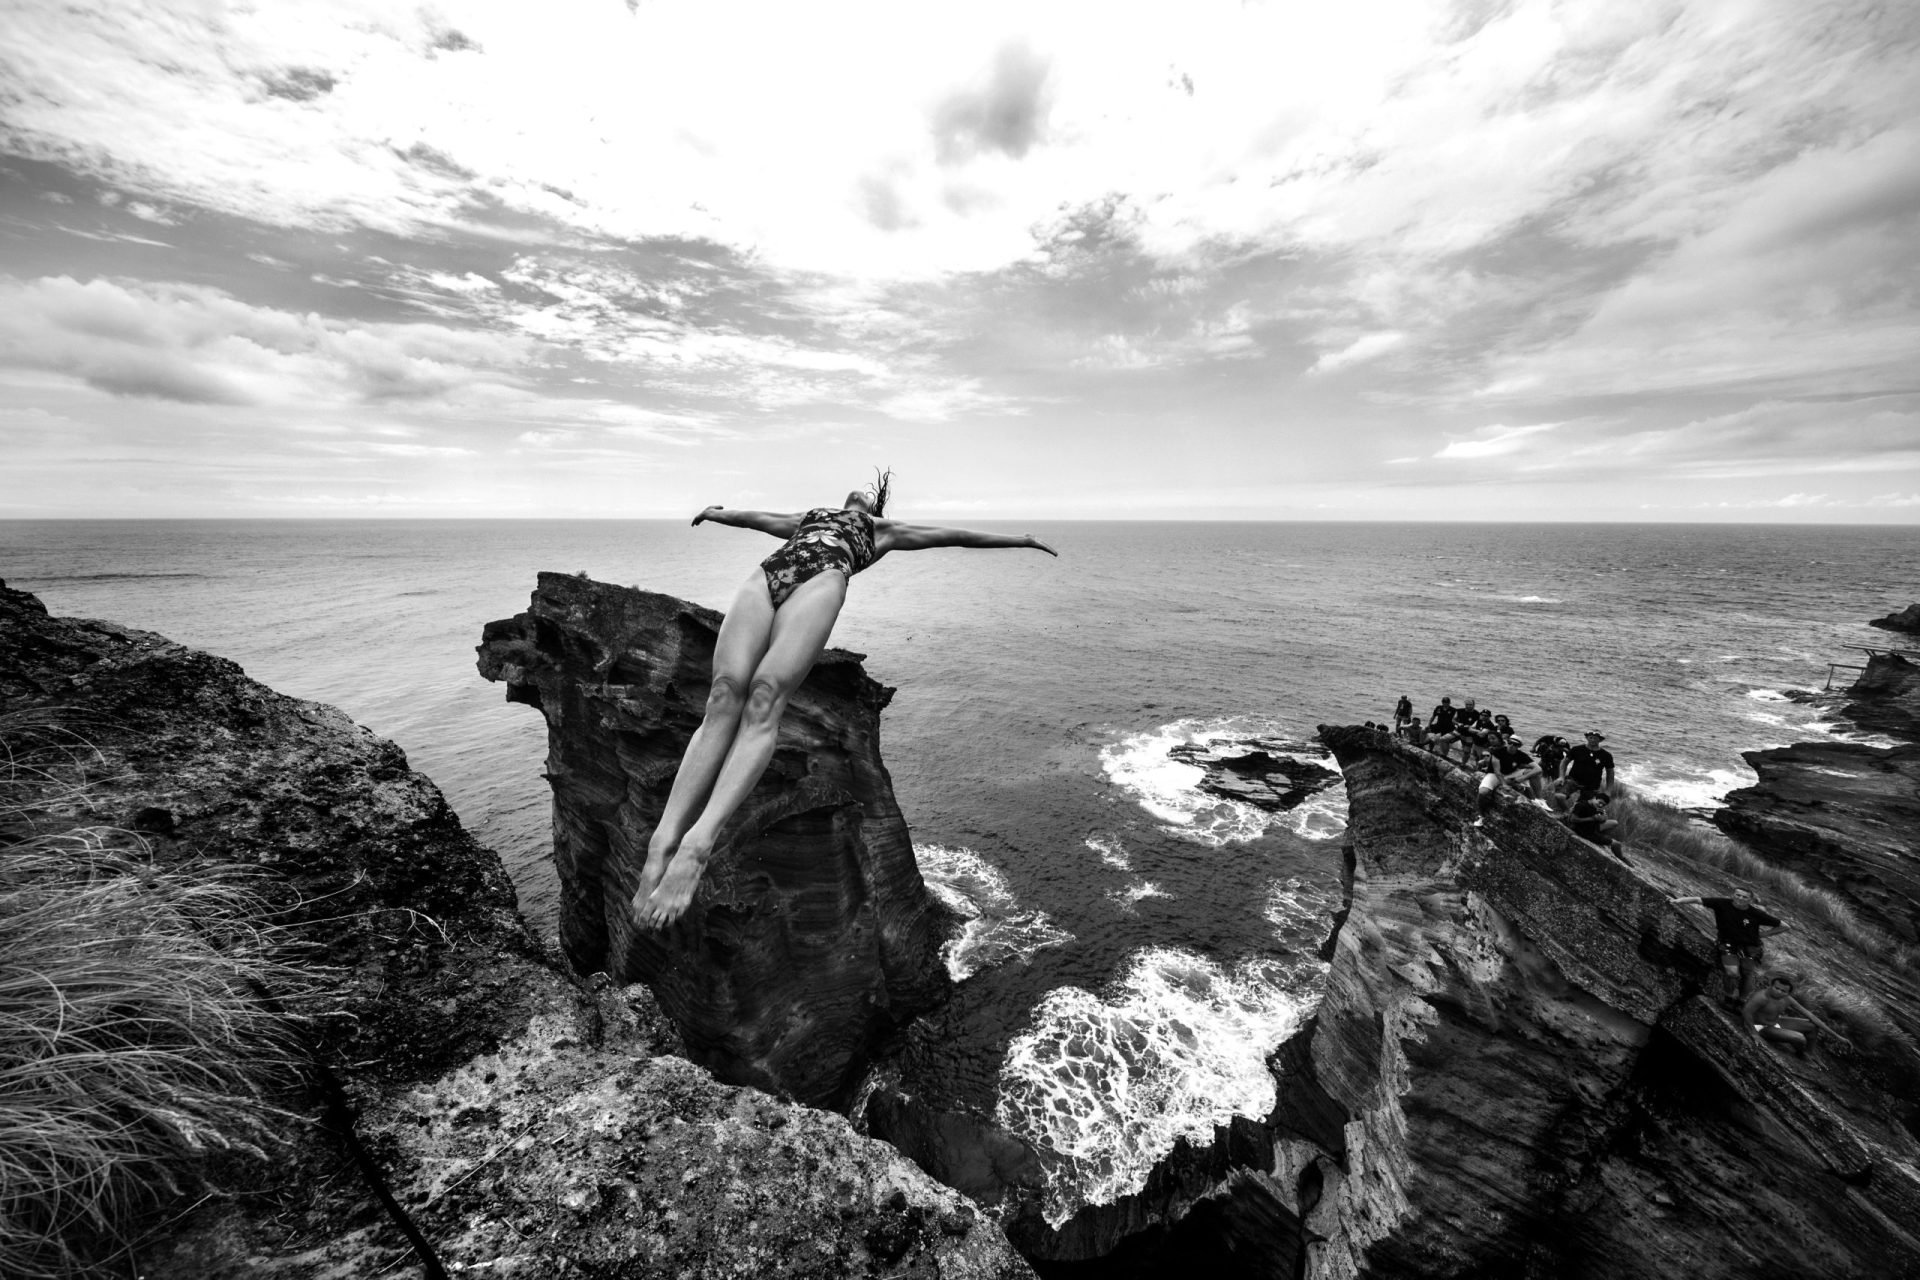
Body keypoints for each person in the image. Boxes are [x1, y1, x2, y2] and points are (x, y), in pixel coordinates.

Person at [631, 473, 1058, 928]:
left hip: (822, 581)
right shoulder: (810, 517)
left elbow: (955, 536)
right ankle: (662, 843)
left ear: (874, 506)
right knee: (722, 696)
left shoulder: (883, 531)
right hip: (768, 574)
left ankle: (697, 847)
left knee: (763, 697)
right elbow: (758, 518)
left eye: (869, 495)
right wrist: (718, 514)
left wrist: (1021, 539)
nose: (859, 491)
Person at [1669, 887, 1788, 1004]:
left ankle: (1742, 1001)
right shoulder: (1721, 903)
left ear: (1750, 900)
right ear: (1733, 895)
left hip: (1751, 946)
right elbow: (1697, 899)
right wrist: (1677, 901)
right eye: (1738, 895)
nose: (1740, 898)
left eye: (1744, 897)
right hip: (1727, 943)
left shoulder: (1756, 913)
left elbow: (1785, 926)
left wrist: (1763, 934)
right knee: (1732, 972)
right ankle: (1728, 997)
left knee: (1747, 973)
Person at [1741, 972, 1851, 1057]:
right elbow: (1746, 1012)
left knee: (1812, 1026)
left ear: (1788, 993)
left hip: (1775, 1023)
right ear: (1771, 985)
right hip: (1760, 1027)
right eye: (1776, 988)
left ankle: (1809, 1054)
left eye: (1783, 991)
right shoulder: (1762, 997)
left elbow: (1811, 1016)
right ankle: (1802, 1054)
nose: (1779, 992)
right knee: (1799, 1038)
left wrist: (1837, 1036)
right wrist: (1754, 1033)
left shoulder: (1787, 999)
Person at [1473, 736, 1543, 825]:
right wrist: (1504, 784)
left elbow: (1538, 769)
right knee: (1483, 792)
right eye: (1510, 742)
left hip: (1511, 774)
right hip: (1495, 774)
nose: (1512, 745)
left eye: (1515, 744)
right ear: (1508, 742)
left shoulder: (1521, 755)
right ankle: (1481, 815)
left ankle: (1537, 800)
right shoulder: (1498, 752)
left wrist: (1523, 778)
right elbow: (1497, 771)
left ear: (1519, 746)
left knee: (1532, 774)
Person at [1564, 790, 1627, 861]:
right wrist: (1592, 818)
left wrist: (1603, 818)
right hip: (1586, 832)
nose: (1601, 805)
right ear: (1594, 798)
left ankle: (1602, 836)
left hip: (1593, 826)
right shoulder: (1581, 805)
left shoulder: (1595, 806)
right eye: (1600, 802)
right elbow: (1573, 819)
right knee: (1616, 844)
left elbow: (1601, 819)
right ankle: (1622, 859)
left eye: (1603, 805)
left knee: (1614, 822)